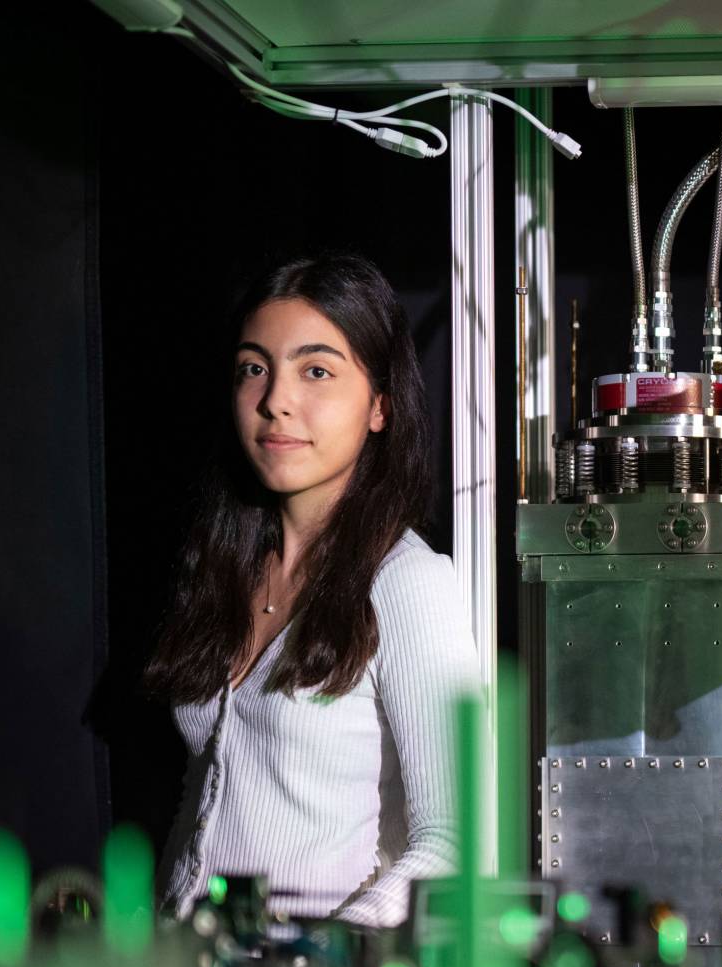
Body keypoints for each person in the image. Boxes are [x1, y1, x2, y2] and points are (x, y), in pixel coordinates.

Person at [145, 253, 477, 928]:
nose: (276, 400)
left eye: (316, 370)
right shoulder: (220, 564)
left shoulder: (407, 584)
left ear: (381, 404)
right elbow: (211, 794)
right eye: (254, 367)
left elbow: (455, 843)